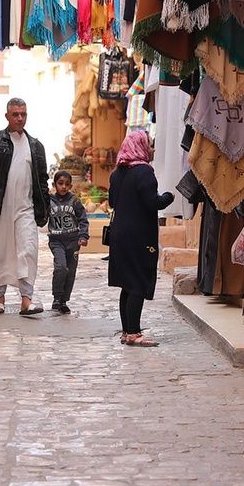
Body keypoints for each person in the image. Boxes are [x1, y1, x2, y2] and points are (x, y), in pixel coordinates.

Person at [0, 97, 50, 316]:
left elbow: (42, 181)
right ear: (7, 115)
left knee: (27, 250)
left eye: (23, 114)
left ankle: (27, 300)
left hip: (25, 209)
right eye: (15, 114)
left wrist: (43, 209)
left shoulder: (35, 146)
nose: (19, 118)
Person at [108, 131, 174, 347]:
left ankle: (127, 331)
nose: (152, 149)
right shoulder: (144, 171)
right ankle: (134, 333)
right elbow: (152, 202)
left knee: (127, 284)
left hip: (119, 235)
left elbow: (112, 202)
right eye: (150, 145)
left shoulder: (117, 174)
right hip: (138, 235)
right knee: (137, 282)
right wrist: (169, 197)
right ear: (141, 146)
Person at [47, 170, 89, 314]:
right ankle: (57, 298)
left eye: (67, 184)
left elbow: (83, 219)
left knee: (70, 272)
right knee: (61, 267)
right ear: (54, 185)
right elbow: (41, 215)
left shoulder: (74, 201)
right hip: (56, 240)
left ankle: (64, 301)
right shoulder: (49, 201)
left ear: (70, 186)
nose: (63, 187)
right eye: (60, 183)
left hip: (73, 241)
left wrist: (83, 236)